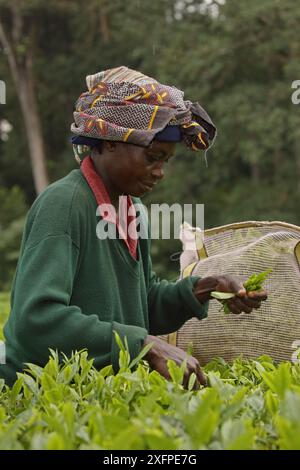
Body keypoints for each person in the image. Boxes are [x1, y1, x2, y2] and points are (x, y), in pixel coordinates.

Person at [0, 66, 267, 388]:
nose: (160, 172)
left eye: (165, 160)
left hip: (104, 392)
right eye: (153, 157)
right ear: (111, 141)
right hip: (39, 389)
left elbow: (141, 306)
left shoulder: (132, 209)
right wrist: (143, 345)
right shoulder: (65, 203)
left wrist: (205, 287)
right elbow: (36, 321)